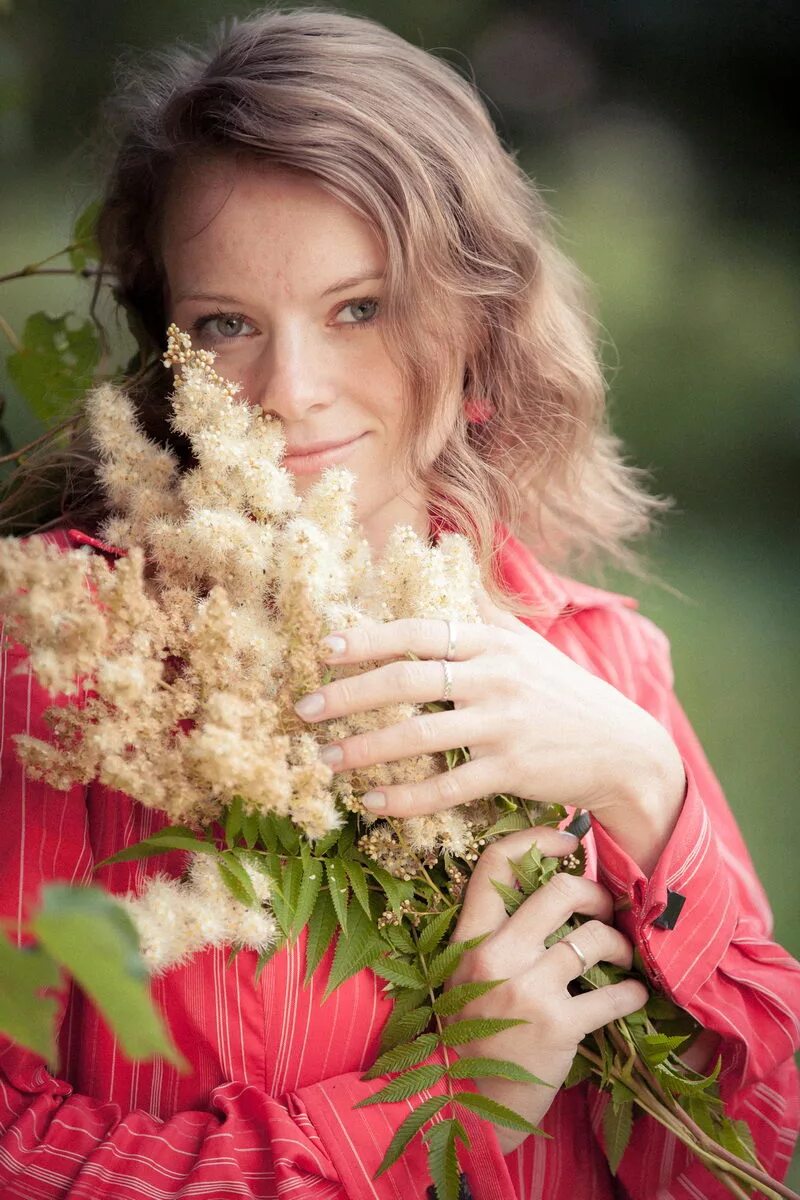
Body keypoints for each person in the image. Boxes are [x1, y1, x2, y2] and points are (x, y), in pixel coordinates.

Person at [0, 8, 797, 1198]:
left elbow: (750, 1151)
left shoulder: (598, 663)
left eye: (357, 308)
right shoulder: (57, 655)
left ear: (476, 324)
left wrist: (644, 785)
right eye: (225, 325)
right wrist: (438, 1104)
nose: (291, 393)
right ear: (168, 355)